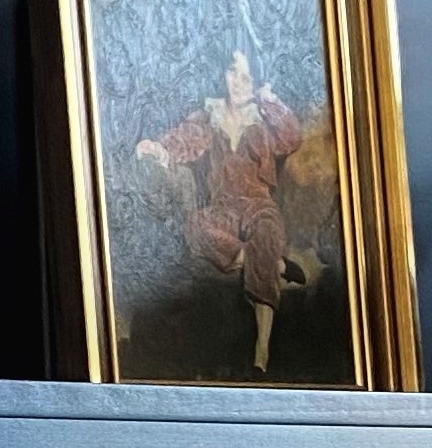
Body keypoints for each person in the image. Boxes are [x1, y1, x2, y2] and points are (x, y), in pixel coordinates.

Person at [135, 50, 326, 372]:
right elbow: (182, 142)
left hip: (259, 206)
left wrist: (268, 100)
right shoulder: (209, 117)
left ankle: (261, 353)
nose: (238, 82)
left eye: (247, 77)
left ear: (255, 84)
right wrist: (157, 147)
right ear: (223, 76)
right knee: (197, 226)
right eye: (233, 73)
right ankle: (275, 264)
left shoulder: (263, 121)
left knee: (265, 233)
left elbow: (291, 138)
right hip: (222, 207)